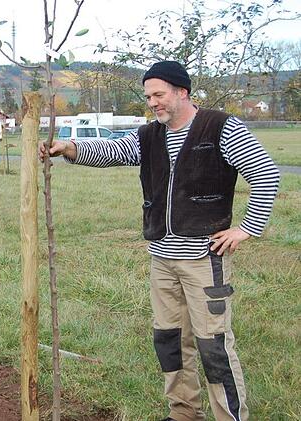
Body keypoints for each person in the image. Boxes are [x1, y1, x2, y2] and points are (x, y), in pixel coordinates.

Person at [38, 61, 279, 421]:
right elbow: (112, 151)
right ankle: (183, 414)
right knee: (169, 340)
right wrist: (68, 147)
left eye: (159, 94)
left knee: (213, 346)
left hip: (203, 258)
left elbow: (265, 172)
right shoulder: (150, 135)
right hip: (162, 259)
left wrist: (246, 228)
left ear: (182, 91)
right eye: (148, 96)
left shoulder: (221, 128)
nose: (152, 102)